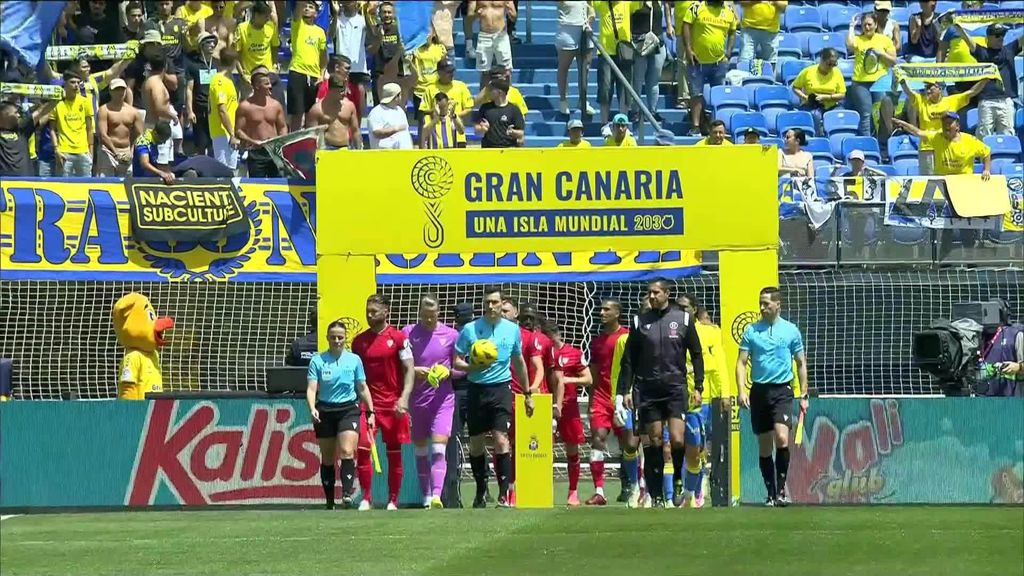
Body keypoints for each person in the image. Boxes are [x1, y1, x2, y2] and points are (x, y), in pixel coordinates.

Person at [617, 279, 704, 507]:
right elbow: (629, 359)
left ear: (667, 293)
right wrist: (625, 390)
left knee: (677, 438)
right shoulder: (639, 321)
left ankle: (677, 479)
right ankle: (656, 495)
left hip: (675, 388)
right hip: (647, 390)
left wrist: (699, 386)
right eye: (650, 293)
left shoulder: (683, 319)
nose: (652, 296)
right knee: (654, 440)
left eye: (656, 292)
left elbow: (696, 353)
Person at [453, 285, 530, 508]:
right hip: (476, 390)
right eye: (487, 302)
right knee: (476, 444)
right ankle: (480, 490)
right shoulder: (470, 329)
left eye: (494, 302)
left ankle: (504, 493)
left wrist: (527, 393)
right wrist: (472, 367)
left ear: (501, 304)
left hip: (501, 389)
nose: (490, 306)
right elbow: (456, 360)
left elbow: (519, 362)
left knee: (501, 438)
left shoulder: (512, 330)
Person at [737, 286, 808, 507]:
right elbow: (741, 362)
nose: (762, 307)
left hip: (782, 391)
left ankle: (781, 490)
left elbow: (801, 363)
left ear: (778, 305)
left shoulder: (791, 331)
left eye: (766, 303)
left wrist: (804, 394)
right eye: (760, 303)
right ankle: (770, 493)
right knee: (765, 446)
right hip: (759, 391)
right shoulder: (751, 331)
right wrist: (741, 391)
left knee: (782, 439)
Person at [351, 294, 415, 511]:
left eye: (374, 311)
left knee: (393, 452)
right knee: (362, 448)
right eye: (367, 311)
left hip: (393, 404)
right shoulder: (359, 342)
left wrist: (404, 398)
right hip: (368, 405)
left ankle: (393, 500)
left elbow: (409, 369)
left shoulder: (398, 338)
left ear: (386, 311)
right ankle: (366, 498)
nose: (369, 315)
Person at [307, 319, 375, 510]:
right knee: (328, 457)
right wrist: (312, 408)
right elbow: (311, 388)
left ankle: (346, 493)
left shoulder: (354, 360)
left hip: (348, 409)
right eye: (333, 337)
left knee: (347, 451)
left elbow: (362, 387)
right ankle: (329, 501)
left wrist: (370, 411)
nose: (337, 340)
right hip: (325, 410)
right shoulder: (317, 360)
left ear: (345, 338)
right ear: (327, 338)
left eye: (340, 337)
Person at [401, 294, 460, 509]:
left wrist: (448, 372)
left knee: (438, 448)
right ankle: (425, 495)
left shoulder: (451, 335)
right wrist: (414, 370)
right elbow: (399, 365)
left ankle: (436, 495)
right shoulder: (408, 333)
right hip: (417, 400)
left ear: (438, 313)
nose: (428, 319)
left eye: (432, 315)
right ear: (419, 313)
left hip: (442, 401)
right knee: (420, 451)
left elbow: (461, 368)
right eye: (424, 315)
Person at [587, 298, 638, 506]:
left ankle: (630, 485)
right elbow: (594, 373)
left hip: (622, 396)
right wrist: (591, 399)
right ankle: (599, 490)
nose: (601, 312)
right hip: (601, 398)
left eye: (606, 309)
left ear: (617, 313)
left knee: (629, 444)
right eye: (601, 309)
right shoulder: (597, 342)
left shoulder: (627, 337)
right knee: (598, 438)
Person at [897, 77, 988, 175]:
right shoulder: (921, 101)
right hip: (926, 148)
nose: (927, 91)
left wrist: (986, 79)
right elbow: (909, 93)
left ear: (939, 88)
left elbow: (972, 92)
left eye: (930, 87)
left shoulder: (952, 101)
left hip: (945, 146)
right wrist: (902, 82)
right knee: (928, 180)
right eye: (926, 88)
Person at [547, 323, 590, 507]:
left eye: (551, 337)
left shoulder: (573, 353)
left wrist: (568, 379)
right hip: (545, 405)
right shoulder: (543, 353)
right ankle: (543, 488)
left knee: (572, 448)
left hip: (569, 407)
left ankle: (573, 491)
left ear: (557, 335)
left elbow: (588, 379)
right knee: (544, 449)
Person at [683, 0, 737, 135]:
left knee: (718, 95)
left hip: (719, 62)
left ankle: (716, 127)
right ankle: (696, 126)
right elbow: (686, 25)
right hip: (697, 61)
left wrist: (728, 52)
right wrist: (688, 49)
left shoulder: (729, 11)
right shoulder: (696, 7)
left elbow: (733, 31)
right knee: (696, 94)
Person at [957, 23, 1020, 138]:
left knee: (1008, 135)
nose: (1001, 38)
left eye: (1002, 34)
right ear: (988, 38)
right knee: (984, 135)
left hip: (1006, 100)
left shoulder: (1009, 49)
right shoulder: (982, 52)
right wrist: (957, 26)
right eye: (997, 35)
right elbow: (967, 39)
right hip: (986, 101)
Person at [893, 113, 991, 180]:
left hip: (963, 181)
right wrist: (903, 124)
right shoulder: (937, 137)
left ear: (957, 126)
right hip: (942, 180)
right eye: (944, 124)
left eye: (949, 123)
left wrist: (986, 170)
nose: (946, 126)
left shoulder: (969, 141)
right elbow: (918, 132)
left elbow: (986, 152)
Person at [845, 12, 897, 137]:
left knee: (882, 113)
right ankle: (867, 142)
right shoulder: (858, 39)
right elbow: (850, 45)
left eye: (869, 24)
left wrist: (882, 54)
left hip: (880, 81)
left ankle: (884, 141)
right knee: (866, 114)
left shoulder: (884, 40)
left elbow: (893, 61)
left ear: (876, 25)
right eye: (864, 25)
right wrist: (851, 26)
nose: (867, 27)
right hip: (860, 82)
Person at [236, 70, 288, 177]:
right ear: (257, 86)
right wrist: (253, 141)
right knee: (257, 184)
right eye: (266, 84)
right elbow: (238, 131)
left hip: (274, 152)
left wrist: (281, 143)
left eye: (270, 83)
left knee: (277, 184)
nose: (270, 86)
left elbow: (282, 127)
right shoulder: (245, 107)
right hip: (256, 153)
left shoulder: (275, 105)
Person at [288, 0, 329, 131]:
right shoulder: (297, 24)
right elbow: (298, 9)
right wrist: (301, 3)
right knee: (297, 113)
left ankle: (309, 140)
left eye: (310, 7)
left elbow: (323, 56)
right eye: (305, 6)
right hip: (297, 72)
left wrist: (322, 74)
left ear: (316, 13)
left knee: (311, 114)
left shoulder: (320, 32)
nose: (306, 8)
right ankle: (294, 139)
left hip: (314, 77)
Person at [555, 1, 596, 115]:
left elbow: (590, 4)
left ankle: (583, 100)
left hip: (585, 27)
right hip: (568, 27)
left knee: (585, 67)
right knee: (564, 66)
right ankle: (563, 100)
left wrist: (591, 15)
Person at [50, 71, 94, 177]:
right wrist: (56, 150)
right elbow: (52, 130)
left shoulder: (85, 102)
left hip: (83, 151)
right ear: (65, 83)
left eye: (78, 83)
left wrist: (91, 152)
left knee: (86, 184)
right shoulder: (57, 102)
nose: (76, 85)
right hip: (64, 151)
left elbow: (90, 129)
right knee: (63, 184)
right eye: (73, 82)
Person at [792, 48, 846, 134]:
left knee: (841, 116)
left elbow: (842, 94)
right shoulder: (808, 71)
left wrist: (826, 97)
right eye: (829, 64)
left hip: (831, 106)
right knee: (815, 116)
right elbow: (795, 87)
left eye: (834, 64)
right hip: (811, 105)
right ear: (821, 59)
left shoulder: (837, 73)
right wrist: (804, 97)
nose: (831, 67)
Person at [630, 0, 667, 123]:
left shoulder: (658, 2)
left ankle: (652, 111)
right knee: (638, 80)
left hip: (657, 43)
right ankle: (635, 111)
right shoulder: (633, 3)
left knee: (654, 81)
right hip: (640, 44)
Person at [97, 79, 143, 177]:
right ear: (110, 91)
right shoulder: (104, 110)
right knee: (106, 182)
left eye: (122, 89)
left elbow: (139, 134)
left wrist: (131, 152)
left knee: (125, 182)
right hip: (108, 151)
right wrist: (115, 152)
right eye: (116, 90)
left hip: (126, 152)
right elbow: (103, 135)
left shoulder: (133, 112)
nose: (120, 92)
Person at [234, 1, 280, 98]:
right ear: (256, 15)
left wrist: (275, 65)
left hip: (267, 76)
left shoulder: (270, 27)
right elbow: (236, 54)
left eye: (268, 16)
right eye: (265, 16)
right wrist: (242, 74)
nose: (267, 19)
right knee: (249, 106)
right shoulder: (242, 28)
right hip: (248, 78)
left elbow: (275, 47)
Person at [331, 0, 370, 111]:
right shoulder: (338, 19)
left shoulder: (362, 20)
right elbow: (331, 35)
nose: (347, 2)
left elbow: (373, 36)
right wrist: (335, 14)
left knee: (359, 106)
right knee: (340, 106)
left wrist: (367, 12)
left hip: (359, 68)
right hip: (341, 69)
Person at [0, 100, 57, 177]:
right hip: (5, 182)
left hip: (28, 182)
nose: (19, 115)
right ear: (4, 115)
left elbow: (40, 112)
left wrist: (57, 99)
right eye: (15, 113)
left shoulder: (22, 129)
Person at [185, 32, 219, 157]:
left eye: (213, 43)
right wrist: (190, 111)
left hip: (215, 109)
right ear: (201, 46)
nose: (212, 45)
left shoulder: (217, 64)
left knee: (214, 142)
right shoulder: (193, 65)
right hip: (200, 108)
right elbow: (189, 89)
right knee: (201, 142)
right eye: (208, 42)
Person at [306, 75, 362, 149]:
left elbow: (355, 131)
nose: (344, 93)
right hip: (326, 149)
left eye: (344, 90)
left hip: (345, 148)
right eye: (341, 91)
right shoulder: (317, 110)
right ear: (331, 90)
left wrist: (359, 149)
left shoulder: (349, 106)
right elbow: (311, 136)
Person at [470, 1, 516, 89]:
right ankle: (484, 97)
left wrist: (510, 12)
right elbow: (469, 16)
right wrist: (476, 14)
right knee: (484, 72)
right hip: (484, 35)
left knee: (507, 70)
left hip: (501, 36)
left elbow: (514, 17)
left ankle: (509, 96)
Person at [209, 47, 240, 171]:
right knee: (222, 170)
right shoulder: (219, 81)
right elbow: (222, 110)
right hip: (222, 132)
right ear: (234, 62)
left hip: (231, 131)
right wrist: (232, 134)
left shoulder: (229, 80)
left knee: (231, 170)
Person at [474, 77, 525, 148]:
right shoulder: (485, 108)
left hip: (508, 148)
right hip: (489, 148)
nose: (489, 92)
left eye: (491, 90)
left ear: (500, 92)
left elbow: (521, 133)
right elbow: (476, 129)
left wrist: (512, 132)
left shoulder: (514, 109)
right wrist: (482, 129)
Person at [368, 83, 414, 149]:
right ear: (396, 96)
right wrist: (396, 129)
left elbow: (405, 130)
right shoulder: (376, 112)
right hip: (383, 151)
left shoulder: (400, 111)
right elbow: (376, 133)